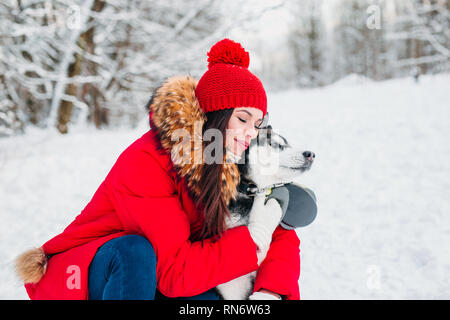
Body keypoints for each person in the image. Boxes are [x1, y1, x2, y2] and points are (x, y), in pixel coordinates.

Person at [15, 38, 301, 300]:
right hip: (91, 273)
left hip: (159, 272)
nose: (252, 133)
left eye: (258, 123)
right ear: (215, 114)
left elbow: (280, 234)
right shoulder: (146, 161)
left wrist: (270, 293)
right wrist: (254, 237)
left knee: (209, 296)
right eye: (242, 119)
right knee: (135, 253)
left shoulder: (232, 156)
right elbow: (175, 274)